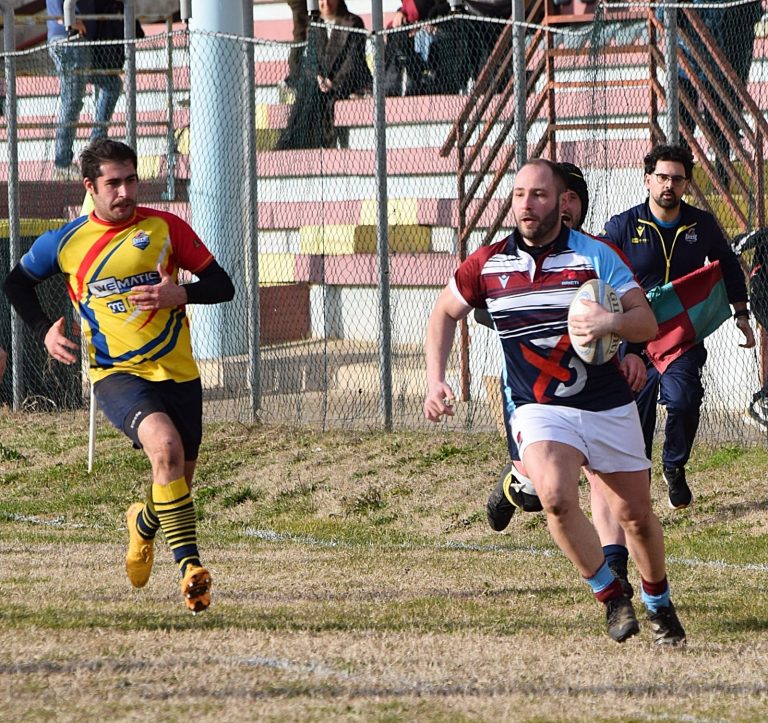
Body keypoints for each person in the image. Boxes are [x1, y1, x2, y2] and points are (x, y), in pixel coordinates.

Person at [425, 158, 686, 645]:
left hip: (607, 405)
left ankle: (658, 601)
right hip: (539, 407)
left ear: (562, 202)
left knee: (637, 518)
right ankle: (611, 597)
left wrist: (609, 325)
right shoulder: (488, 263)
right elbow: (443, 312)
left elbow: (646, 323)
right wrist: (434, 379)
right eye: (520, 194)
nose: (528, 204)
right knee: (556, 498)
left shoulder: (597, 256)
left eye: (539, 195)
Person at [3, 139, 235, 613]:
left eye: (131, 179)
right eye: (113, 183)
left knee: (176, 480)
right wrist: (42, 329)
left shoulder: (165, 228)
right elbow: (15, 283)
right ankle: (191, 568)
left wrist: (182, 296)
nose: (125, 191)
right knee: (165, 450)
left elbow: (223, 284)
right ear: (91, 187)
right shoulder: (65, 242)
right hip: (115, 374)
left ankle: (142, 524)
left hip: (179, 372)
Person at [484, 162, 643, 598]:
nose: (564, 204)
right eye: (559, 195)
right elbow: (486, 306)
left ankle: (616, 570)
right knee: (539, 491)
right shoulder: (505, 259)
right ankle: (514, 483)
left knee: (600, 477)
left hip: (596, 391)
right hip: (532, 392)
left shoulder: (596, 255)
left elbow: (628, 312)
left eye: (573, 197)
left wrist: (630, 354)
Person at [602, 144, 754, 510]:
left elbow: (728, 266)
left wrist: (742, 315)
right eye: (662, 177)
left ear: (686, 184)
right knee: (636, 420)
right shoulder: (622, 225)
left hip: (680, 337)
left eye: (677, 179)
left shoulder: (701, 224)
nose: (669, 185)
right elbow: (598, 272)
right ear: (647, 180)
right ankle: (639, 490)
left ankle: (674, 465)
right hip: (634, 339)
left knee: (684, 401)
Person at [47, 0, 134, 181]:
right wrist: (67, 19)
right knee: (72, 100)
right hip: (70, 40)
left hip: (83, 42)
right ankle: (62, 163)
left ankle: (97, 143)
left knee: (111, 84)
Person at [677, 1, 762, 184]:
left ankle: (723, 179)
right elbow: (664, 15)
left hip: (716, 60)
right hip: (687, 59)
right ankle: (681, 178)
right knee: (683, 124)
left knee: (718, 124)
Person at [275, 0, 372, 150]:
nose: (325, 3)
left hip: (347, 82)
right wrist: (318, 77)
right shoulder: (315, 25)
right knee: (310, 92)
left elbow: (353, 61)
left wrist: (333, 82)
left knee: (315, 96)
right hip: (321, 85)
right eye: (321, 0)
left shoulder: (353, 23)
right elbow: (311, 61)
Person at [732, 228, 768, 426]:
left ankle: (762, 399)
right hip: (763, 299)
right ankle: (762, 401)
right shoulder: (763, 235)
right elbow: (736, 245)